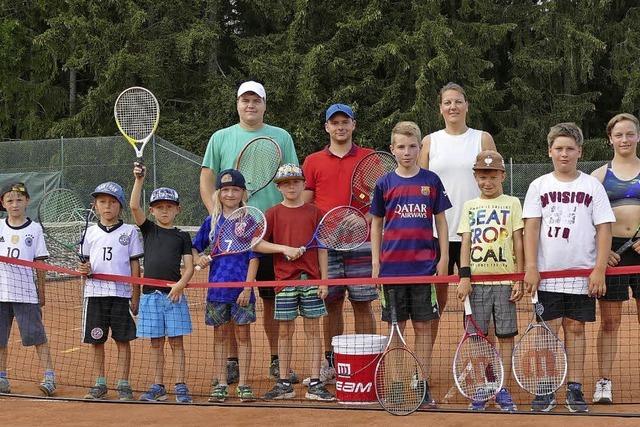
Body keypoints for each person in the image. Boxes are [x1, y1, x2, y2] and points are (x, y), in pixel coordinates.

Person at [200, 81, 299, 384]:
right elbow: (206, 179)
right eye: (245, 100)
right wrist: (218, 217)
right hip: (230, 238)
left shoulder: (281, 137)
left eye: (256, 100)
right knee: (230, 299)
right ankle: (231, 361)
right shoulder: (220, 137)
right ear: (237, 104)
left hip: (270, 233)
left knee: (272, 300)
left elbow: (292, 179)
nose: (250, 105)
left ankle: (275, 360)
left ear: (265, 105)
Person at [523, 122, 614, 413]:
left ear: (580, 151)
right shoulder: (539, 185)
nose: (564, 154)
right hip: (547, 277)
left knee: (575, 330)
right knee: (547, 332)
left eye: (570, 149)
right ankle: (546, 387)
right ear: (550, 151)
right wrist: (531, 267)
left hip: (580, 275)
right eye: (559, 148)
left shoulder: (591, 185)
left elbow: (603, 229)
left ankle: (574, 387)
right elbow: (531, 228)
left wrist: (599, 269)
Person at [370, 121, 451, 408]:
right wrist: (376, 262)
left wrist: (443, 258)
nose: (407, 152)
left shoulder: (431, 181)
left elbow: (441, 221)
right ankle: (396, 384)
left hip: (424, 269)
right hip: (392, 270)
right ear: (392, 150)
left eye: (412, 146)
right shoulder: (384, 184)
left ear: (420, 148)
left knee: (424, 328)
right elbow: (376, 224)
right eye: (401, 147)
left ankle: (422, 383)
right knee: (396, 330)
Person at [301, 103, 377, 385]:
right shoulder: (312, 161)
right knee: (331, 304)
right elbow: (305, 204)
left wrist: (364, 219)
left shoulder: (369, 158)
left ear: (354, 125)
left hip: (361, 243)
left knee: (363, 304)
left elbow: (379, 202)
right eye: (335, 122)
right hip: (325, 245)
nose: (340, 126)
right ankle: (333, 362)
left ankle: (367, 360)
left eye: (345, 121)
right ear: (327, 127)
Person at [418, 82, 497, 329]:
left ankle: (483, 363)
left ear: (466, 106)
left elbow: (495, 182)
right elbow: (421, 188)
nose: (453, 106)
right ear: (440, 108)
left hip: (477, 234)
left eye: (458, 101)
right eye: (447, 102)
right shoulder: (430, 142)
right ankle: (425, 365)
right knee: (433, 306)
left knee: (478, 305)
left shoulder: (482, 138)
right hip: (436, 234)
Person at [255, 164, 335, 402]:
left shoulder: (315, 212)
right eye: (286, 183)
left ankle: (315, 382)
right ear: (279, 187)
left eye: (296, 182)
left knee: (313, 330)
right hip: (285, 282)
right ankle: (283, 382)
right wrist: (283, 248)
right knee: (285, 333)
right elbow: (257, 244)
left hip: (310, 280)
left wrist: (323, 281)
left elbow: (322, 249)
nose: (291, 186)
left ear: (303, 185)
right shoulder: (272, 213)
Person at [456, 150, 524, 412]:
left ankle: (502, 388)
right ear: (475, 177)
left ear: (502, 176)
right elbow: (465, 242)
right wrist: (464, 277)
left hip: (506, 283)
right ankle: (485, 385)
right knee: (478, 339)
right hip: (477, 284)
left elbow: (518, 241)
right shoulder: (470, 206)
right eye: (482, 176)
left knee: (505, 337)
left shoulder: (513, 203)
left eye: (492, 176)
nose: (487, 181)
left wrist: (518, 276)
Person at [192, 169, 258, 403]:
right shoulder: (211, 221)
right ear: (219, 193)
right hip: (217, 290)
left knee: (243, 336)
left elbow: (254, 257)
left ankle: (244, 384)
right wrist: (198, 258)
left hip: (242, 291)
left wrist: (247, 288)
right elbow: (195, 247)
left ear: (242, 193)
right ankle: (220, 382)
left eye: (235, 190)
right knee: (220, 336)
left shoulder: (249, 222)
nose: (230, 194)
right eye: (226, 190)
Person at [131, 164, 195, 403]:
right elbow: (133, 206)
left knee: (176, 343)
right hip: (149, 297)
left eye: (169, 207)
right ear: (152, 211)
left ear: (177, 210)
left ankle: (180, 385)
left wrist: (180, 285)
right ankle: (158, 385)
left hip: (174, 296)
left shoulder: (182, 236)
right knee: (156, 344)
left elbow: (188, 267)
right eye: (159, 207)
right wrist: (139, 180)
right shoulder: (148, 230)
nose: (164, 211)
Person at [590, 113, 640, 404]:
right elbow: (589, 219)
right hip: (612, 255)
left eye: (629, 134)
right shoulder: (599, 176)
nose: (624, 139)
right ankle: (604, 382)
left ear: (637, 137)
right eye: (619, 134)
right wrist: (601, 248)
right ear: (610, 138)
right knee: (610, 323)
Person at [78, 182, 143, 401]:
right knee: (96, 340)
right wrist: (83, 271)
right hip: (95, 295)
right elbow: (84, 265)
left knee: (122, 339)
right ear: (95, 205)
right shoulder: (89, 232)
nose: (107, 206)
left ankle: (124, 383)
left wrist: (136, 295)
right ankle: (100, 382)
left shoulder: (130, 231)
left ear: (120, 206)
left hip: (121, 295)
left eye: (112, 202)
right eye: (102, 202)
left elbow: (135, 266)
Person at [0, 182, 56, 396]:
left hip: (25, 294)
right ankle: (2, 378)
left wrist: (41, 291)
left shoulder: (35, 229)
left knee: (37, 336)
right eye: (10, 200)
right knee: (0, 339)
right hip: (1, 293)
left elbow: (40, 264)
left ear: (27, 201)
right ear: (3, 204)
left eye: (19, 200)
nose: (15, 204)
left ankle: (49, 376)